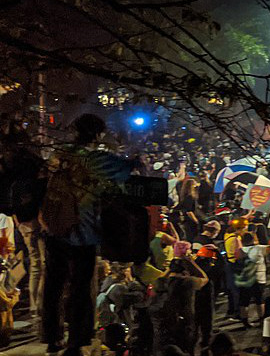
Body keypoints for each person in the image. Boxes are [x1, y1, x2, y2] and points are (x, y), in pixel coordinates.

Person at [40, 114, 132, 356]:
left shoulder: (57, 155)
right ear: (97, 135)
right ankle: (76, 341)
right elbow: (126, 170)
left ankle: (51, 337)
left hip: (53, 230)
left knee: (53, 286)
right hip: (83, 234)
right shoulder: (94, 159)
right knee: (81, 289)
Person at [150, 257, 208, 355]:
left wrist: (170, 268)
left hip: (164, 324)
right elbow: (205, 279)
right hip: (184, 323)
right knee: (186, 349)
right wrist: (191, 262)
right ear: (185, 271)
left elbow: (160, 277)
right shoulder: (189, 282)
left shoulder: (160, 283)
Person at [238, 232, 268, 327]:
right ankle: (261, 320)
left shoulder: (240, 251)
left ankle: (245, 322)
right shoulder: (259, 248)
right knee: (259, 300)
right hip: (258, 278)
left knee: (244, 301)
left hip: (245, 279)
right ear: (253, 240)